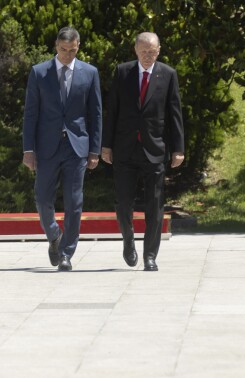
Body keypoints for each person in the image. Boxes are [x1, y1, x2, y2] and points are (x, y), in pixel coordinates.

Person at [102, 32, 184, 272]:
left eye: (152, 51)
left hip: (155, 150)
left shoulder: (168, 75)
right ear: (135, 50)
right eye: (143, 51)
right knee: (124, 203)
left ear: (159, 50)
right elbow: (112, 111)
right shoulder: (123, 72)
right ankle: (128, 240)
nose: (148, 55)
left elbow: (174, 114)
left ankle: (150, 255)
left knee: (154, 205)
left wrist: (178, 149)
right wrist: (106, 145)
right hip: (125, 149)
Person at [22, 26, 102, 272]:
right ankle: (54, 235)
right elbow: (31, 113)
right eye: (63, 50)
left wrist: (95, 150)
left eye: (72, 50)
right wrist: (28, 150)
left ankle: (67, 252)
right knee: (43, 198)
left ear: (79, 46)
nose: (67, 54)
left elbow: (95, 113)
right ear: (56, 46)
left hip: (77, 147)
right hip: (47, 147)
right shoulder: (39, 72)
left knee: (74, 201)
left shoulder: (90, 73)